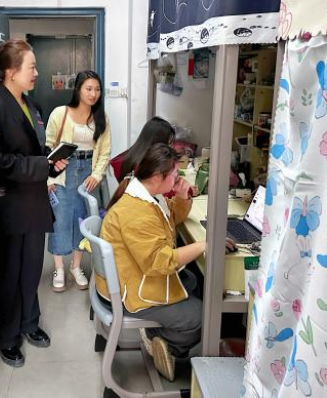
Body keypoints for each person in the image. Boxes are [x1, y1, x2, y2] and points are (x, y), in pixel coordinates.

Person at [96, 143, 236, 381]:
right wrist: (203, 245)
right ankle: (165, 342)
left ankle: (163, 331)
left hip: (132, 278)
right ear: (157, 177)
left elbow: (167, 221)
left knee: (192, 280)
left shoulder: (147, 196)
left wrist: (181, 197)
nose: (178, 178)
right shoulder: (136, 212)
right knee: (203, 317)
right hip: (131, 292)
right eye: (174, 174)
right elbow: (158, 263)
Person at [0, 39, 68, 368]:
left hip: (34, 204)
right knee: (7, 275)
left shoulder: (32, 105)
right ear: (11, 72)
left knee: (30, 272)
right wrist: (40, 165)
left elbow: (34, 152)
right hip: (8, 208)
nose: (36, 73)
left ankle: (29, 323)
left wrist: (51, 161)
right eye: (32, 67)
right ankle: (7, 337)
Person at [45, 70, 112, 292]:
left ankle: (75, 266)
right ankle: (59, 269)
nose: (93, 94)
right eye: (88, 89)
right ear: (78, 90)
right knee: (60, 220)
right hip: (64, 170)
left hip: (88, 172)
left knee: (82, 221)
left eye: (97, 89)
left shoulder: (101, 118)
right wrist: (48, 178)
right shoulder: (60, 113)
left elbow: (104, 152)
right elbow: (47, 147)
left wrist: (97, 175)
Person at [110, 116, 175, 182]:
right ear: (160, 141)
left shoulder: (127, 157)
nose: (169, 147)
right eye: (167, 143)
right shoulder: (150, 165)